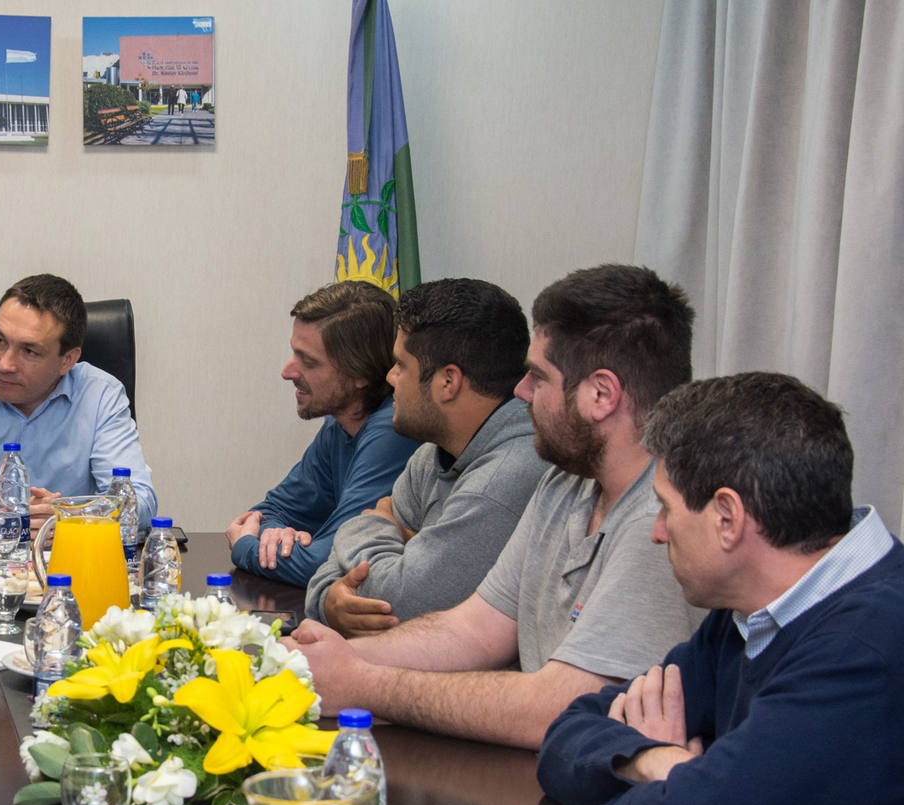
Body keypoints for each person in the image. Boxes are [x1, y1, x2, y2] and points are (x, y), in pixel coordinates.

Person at [536, 373, 904, 805]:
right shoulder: (751, 615)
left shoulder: (870, 648)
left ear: (728, 517)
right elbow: (565, 741)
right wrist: (658, 762)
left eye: (666, 508)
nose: (655, 533)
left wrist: (681, 796)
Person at [289, 264, 704, 749]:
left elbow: (559, 707)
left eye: (538, 377)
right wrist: (332, 659)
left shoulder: (662, 520)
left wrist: (362, 682)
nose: (520, 392)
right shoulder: (565, 480)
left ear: (601, 394)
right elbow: (474, 629)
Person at [305, 278, 547, 633]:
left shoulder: (504, 476)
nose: (389, 378)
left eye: (401, 365)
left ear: (449, 382)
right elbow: (330, 574)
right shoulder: (432, 454)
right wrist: (329, 600)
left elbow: (398, 603)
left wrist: (374, 521)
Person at [0, 272, 157, 538]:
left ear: (67, 361)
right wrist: (9, 522)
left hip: (71, 563)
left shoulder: (101, 395)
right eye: (0, 340)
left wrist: (71, 516)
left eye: (29, 351)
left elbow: (139, 501)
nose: (4, 364)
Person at [224, 280, 420, 586]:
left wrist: (247, 548)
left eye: (309, 361)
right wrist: (277, 534)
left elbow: (333, 562)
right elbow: (266, 513)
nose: (287, 372)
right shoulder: (341, 421)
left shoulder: (392, 432)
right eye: (294, 354)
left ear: (359, 373)